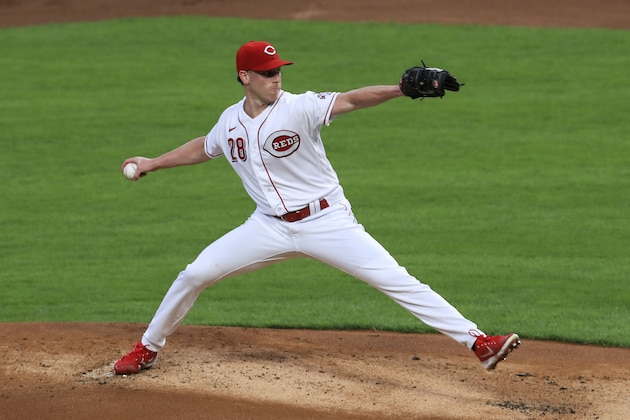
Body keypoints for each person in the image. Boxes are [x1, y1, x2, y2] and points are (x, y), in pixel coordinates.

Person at [114, 40, 520, 375]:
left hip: (327, 221)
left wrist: (399, 88)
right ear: (245, 77)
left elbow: (351, 100)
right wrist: (153, 162)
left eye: (278, 71)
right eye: (267, 73)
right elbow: (204, 147)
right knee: (195, 273)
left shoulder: (298, 107)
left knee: (395, 280)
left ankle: (479, 342)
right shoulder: (230, 121)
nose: (277, 78)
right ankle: (148, 347)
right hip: (266, 227)